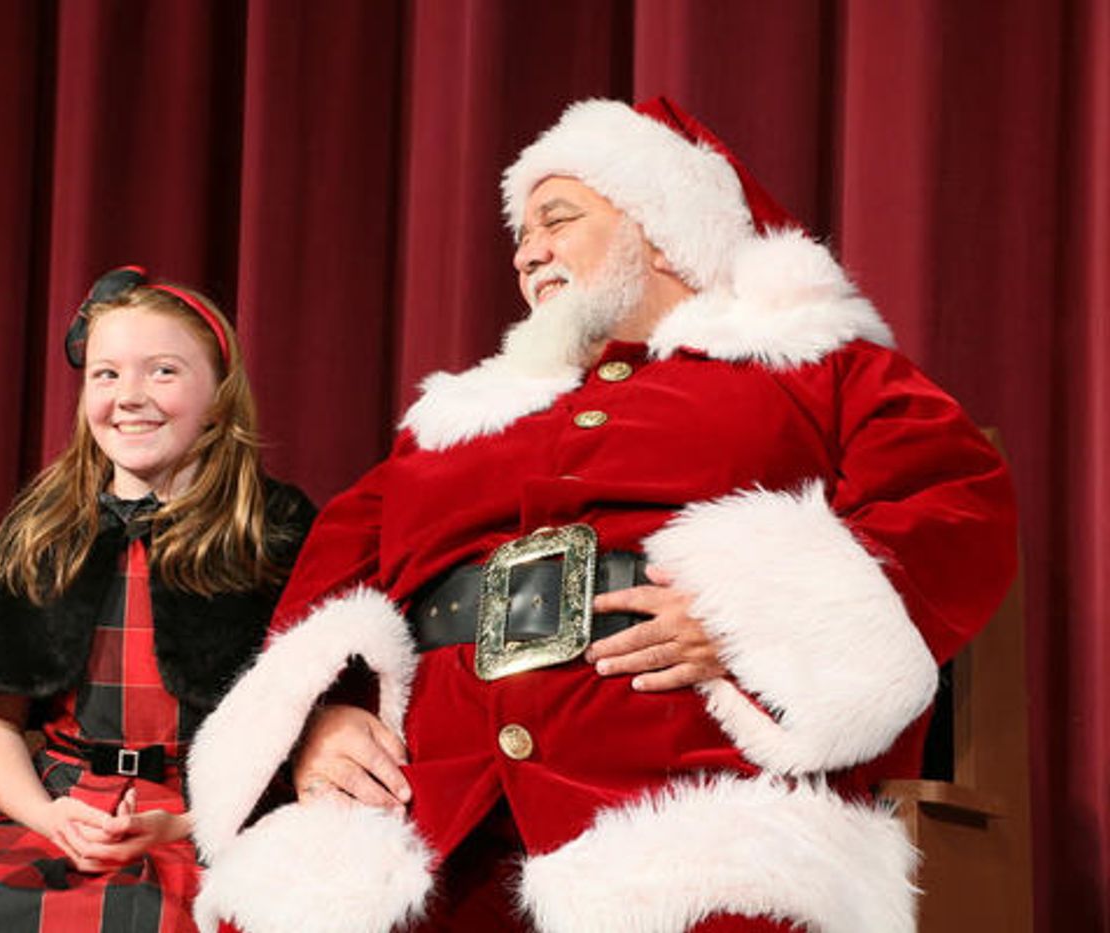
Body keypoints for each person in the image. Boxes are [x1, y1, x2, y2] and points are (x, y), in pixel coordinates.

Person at [185, 98, 1018, 933]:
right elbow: (329, 590)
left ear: (660, 231)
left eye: (558, 218)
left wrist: (758, 618)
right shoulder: (456, 420)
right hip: (431, 811)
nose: (527, 251)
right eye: (520, 235)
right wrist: (322, 720)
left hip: (683, 795)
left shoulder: (805, 365)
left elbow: (955, 500)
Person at [0, 267, 316, 932]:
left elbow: (302, 731)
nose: (129, 396)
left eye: (163, 371)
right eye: (106, 374)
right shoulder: (46, 527)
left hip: (212, 815)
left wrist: (188, 820)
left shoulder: (273, 529)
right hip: (61, 807)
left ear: (221, 399)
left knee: (170, 919)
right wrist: (48, 815)